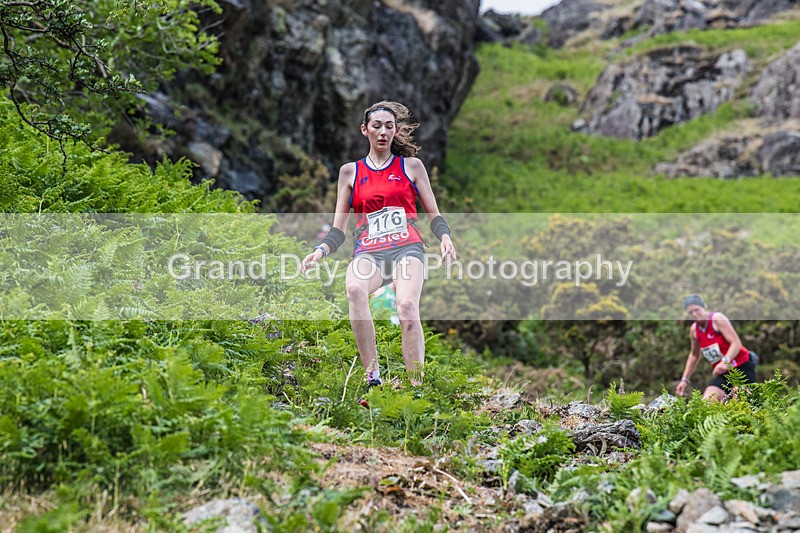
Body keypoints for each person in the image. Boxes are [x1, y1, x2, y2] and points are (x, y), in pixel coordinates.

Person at [300, 100, 456, 391]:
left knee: (407, 307)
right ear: (365, 130)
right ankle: (372, 377)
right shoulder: (350, 172)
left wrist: (445, 237)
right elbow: (338, 229)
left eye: (389, 126)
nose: (383, 132)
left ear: (396, 131)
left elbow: (434, 214)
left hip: (406, 247)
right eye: (376, 126)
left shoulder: (411, 166)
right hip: (369, 251)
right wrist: (319, 251)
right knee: (355, 289)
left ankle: (415, 387)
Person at [676, 294, 757, 401]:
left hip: (742, 367)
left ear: (704, 307)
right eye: (690, 313)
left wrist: (725, 361)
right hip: (723, 373)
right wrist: (684, 380)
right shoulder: (694, 330)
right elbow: (694, 355)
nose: (695, 314)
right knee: (707, 401)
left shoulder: (717, 319)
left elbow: (736, 343)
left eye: (697, 310)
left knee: (738, 400)